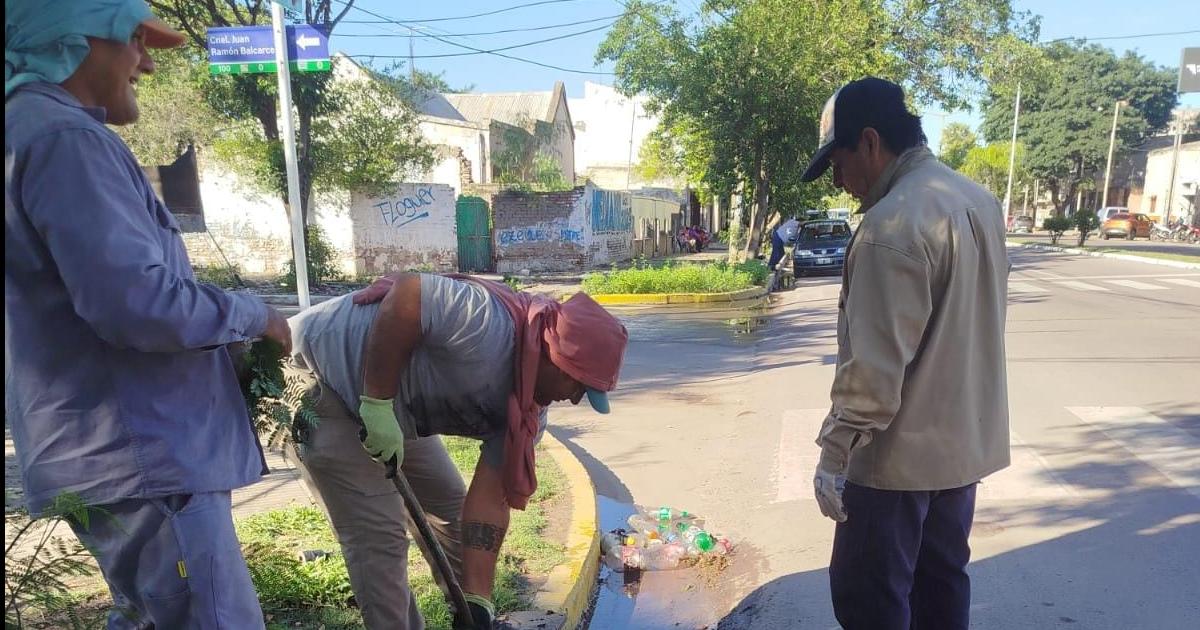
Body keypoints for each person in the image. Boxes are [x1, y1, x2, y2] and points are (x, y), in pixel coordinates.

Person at [5, 2, 293, 628]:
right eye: (135, 40)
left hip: (110, 458)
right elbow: (137, 304)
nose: (147, 62)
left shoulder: (27, 133)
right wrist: (255, 317)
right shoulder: (68, 140)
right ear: (77, 41)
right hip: (143, 458)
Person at [282, 272, 628, 629]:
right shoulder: (488, 324)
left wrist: (479, 601)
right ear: (555, 355)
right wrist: (377, 403)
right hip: (320, 378)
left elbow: (489, 504)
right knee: (380, 541)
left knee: (449, 509)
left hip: (394, 408)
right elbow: (409, 292)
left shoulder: (525, 415)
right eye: (579, 386)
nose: (574, 398)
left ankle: (471, 613)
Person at [800, 77, 1010, 630]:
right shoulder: (978, 202)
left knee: (869, 601)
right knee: (940, 592)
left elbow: (873, 371)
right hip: (960, 453)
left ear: (869, 142)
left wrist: (834, 456)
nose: (840, 182)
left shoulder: (890, 224)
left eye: (838, 164)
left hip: (893, 465)